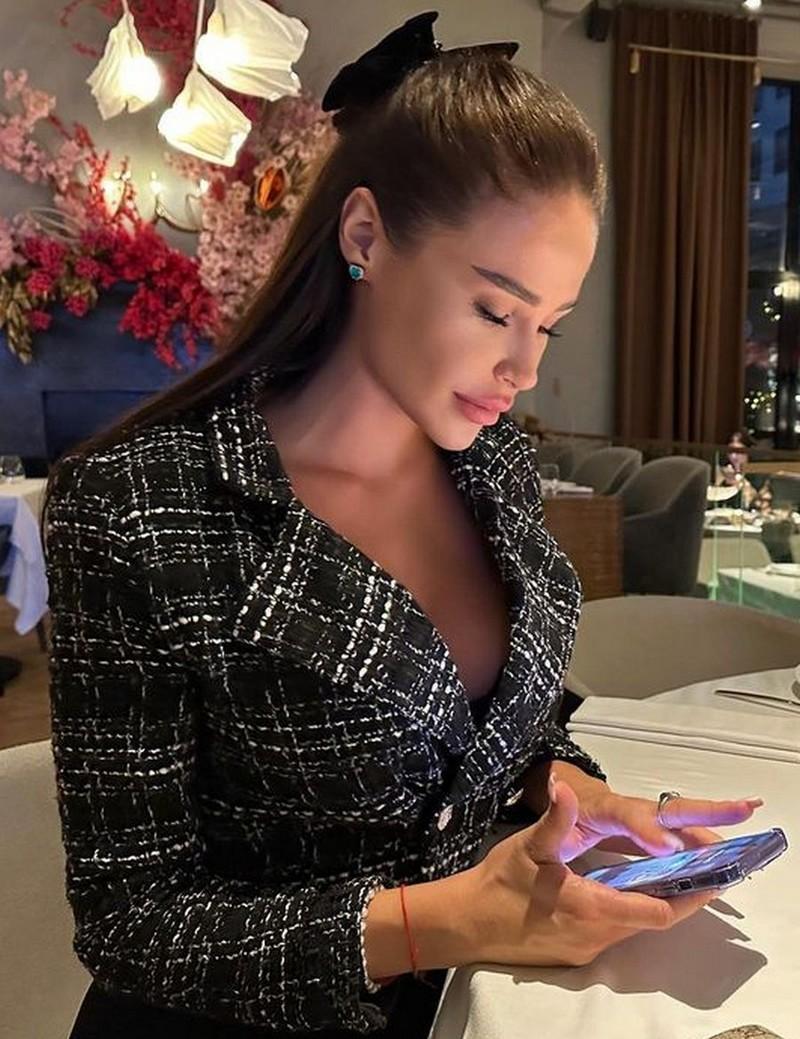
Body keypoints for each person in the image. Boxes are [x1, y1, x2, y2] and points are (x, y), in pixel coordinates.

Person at [42, 12, 763, 1039]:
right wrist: (443, 921)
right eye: (494, 310)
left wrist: (569, 792)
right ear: (366, 237)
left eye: (548, 326)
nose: (523, 369)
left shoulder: (490, 467)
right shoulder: (140, 505)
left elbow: (494, 726)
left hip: (481, 1000)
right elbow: (134, 923)